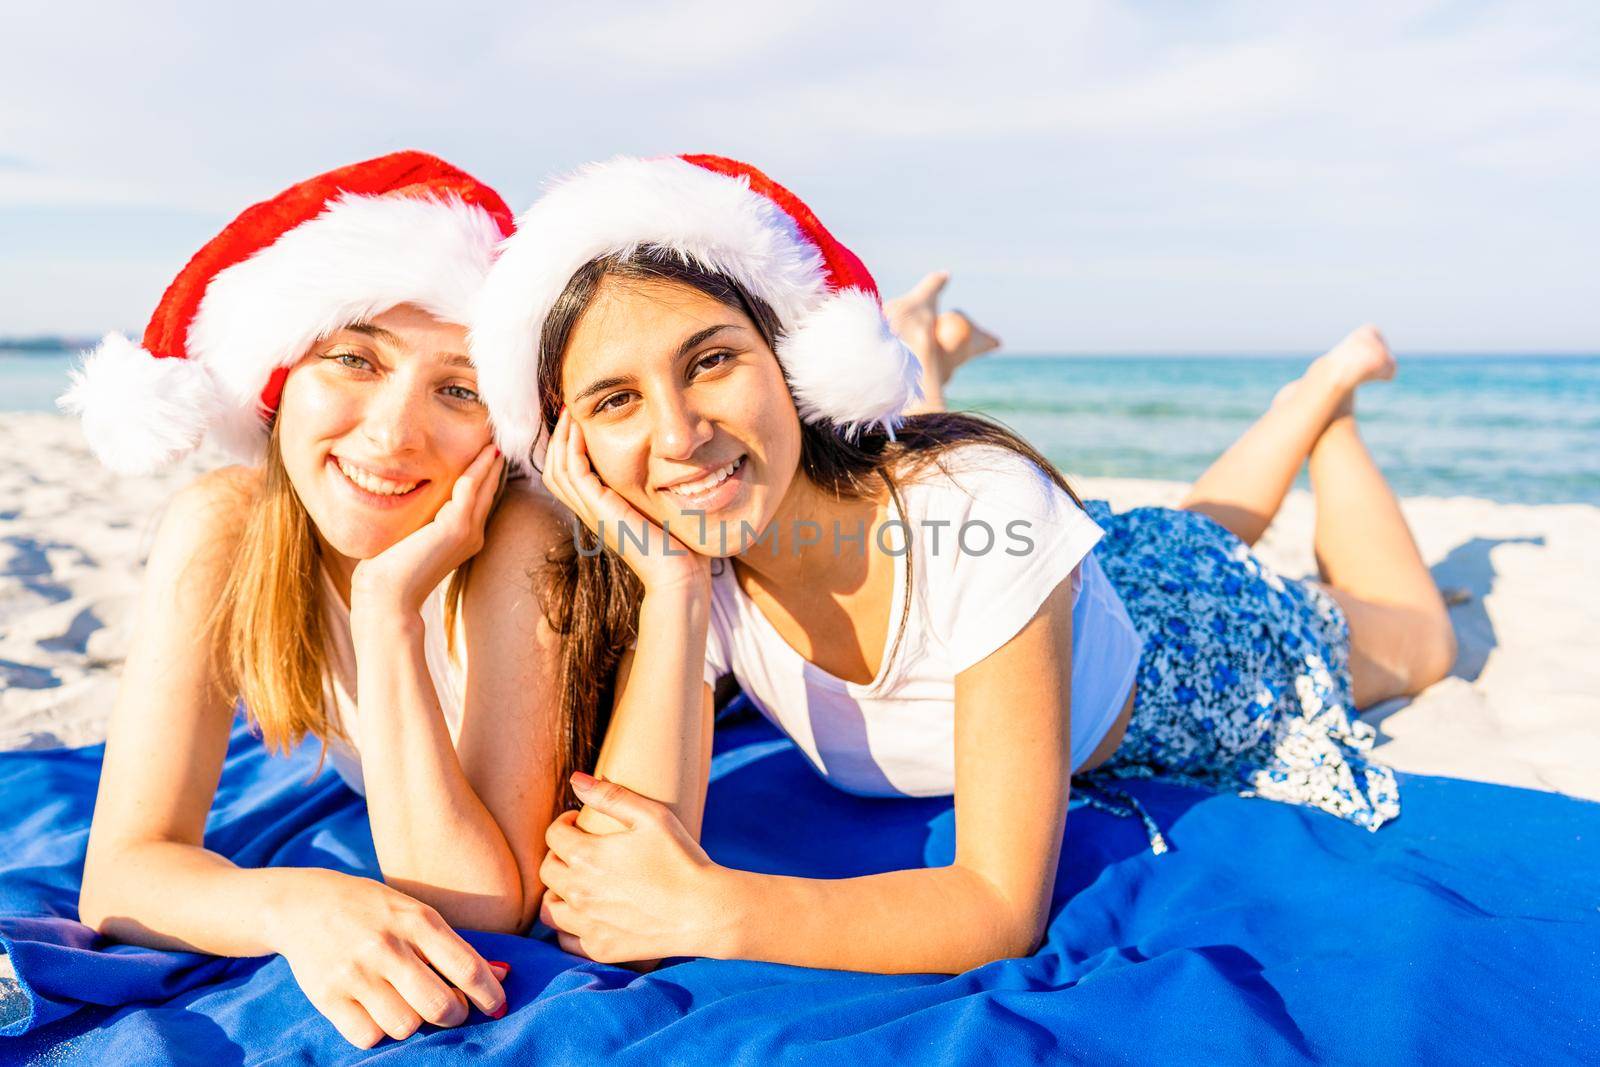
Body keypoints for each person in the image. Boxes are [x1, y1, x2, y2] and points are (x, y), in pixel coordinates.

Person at [468, 154, 1457, 974]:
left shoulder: (977, 504)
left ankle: (1328, 410)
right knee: (1173, 520)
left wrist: (718, 910)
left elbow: (996, 904)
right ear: (572, 450)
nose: (678, 433)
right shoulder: (692, 550)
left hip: (1191, 642)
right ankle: (1281, 407)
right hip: (1053, 576)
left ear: (792, 363)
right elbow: (638, 853)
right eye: (613, 401)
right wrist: (675, 587)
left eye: (711, 360)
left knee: (1417, 641)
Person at [62, 152, 571, 1049]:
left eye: (459, 389)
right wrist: (293, 903)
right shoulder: (225, 525)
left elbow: (480, 902)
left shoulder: (521, 535)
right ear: (280, 378)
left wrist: (386, 608)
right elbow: (121, 873)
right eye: (354, 359)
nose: (392, 432)